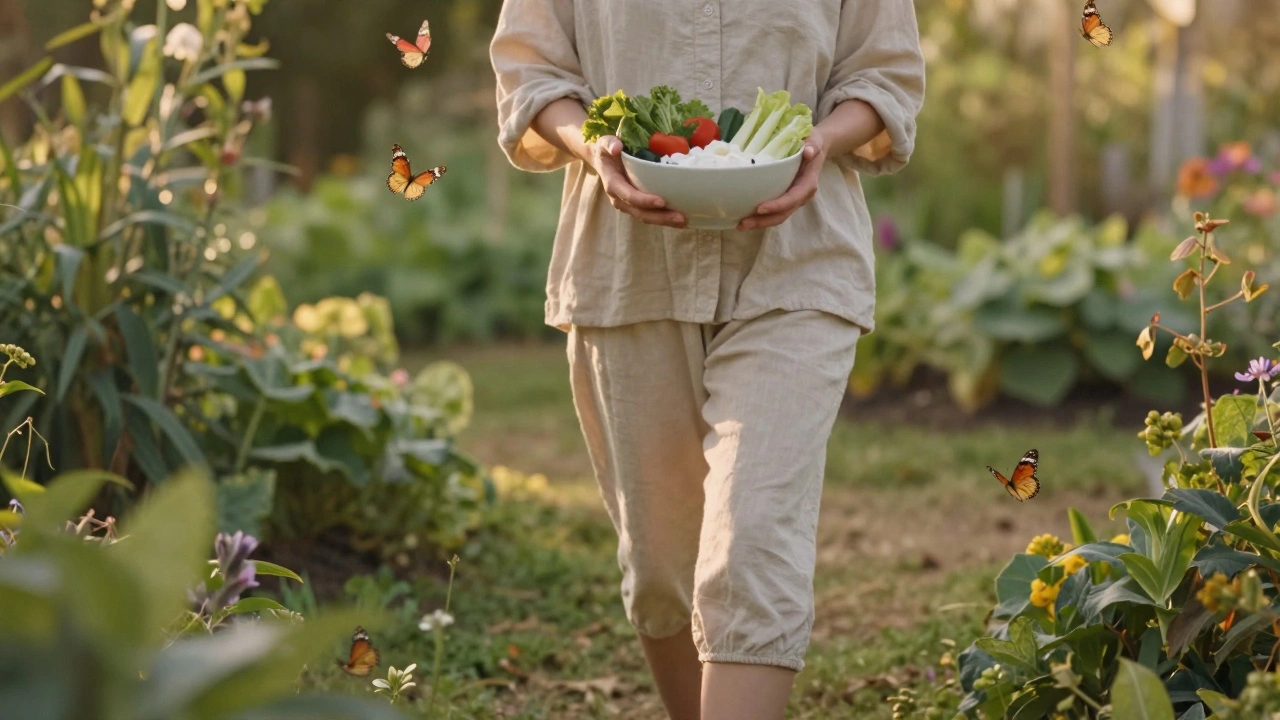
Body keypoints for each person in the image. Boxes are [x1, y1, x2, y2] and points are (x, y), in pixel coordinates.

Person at [491, 2, 924, 718]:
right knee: (661, 569)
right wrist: (596, 150)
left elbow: (883, 75)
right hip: (627, 269)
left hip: (797, 263)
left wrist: (818, 143)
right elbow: (531, 71)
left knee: (752, 540)